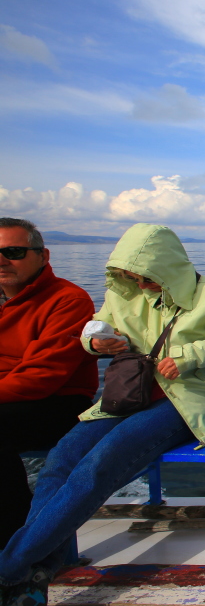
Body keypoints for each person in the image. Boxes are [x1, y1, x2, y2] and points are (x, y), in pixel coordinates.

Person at [0, 223, 205, 606]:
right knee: (60, 461)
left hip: (185, 400)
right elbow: (94, 328)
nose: (141, 284)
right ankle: (38, 564)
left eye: (147, 277)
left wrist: (188, 356)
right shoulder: (124, 293)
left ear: (168, 267)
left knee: (98, 465)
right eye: (133, 277)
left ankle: (9, 568)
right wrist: (97, 341)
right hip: (126, 397)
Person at [0, 218, 98, 551]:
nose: (2, 260)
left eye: (13, 251)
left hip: (58, 404)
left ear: (43, 255)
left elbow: (40, 378)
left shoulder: (67, 300)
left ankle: (16, 546)